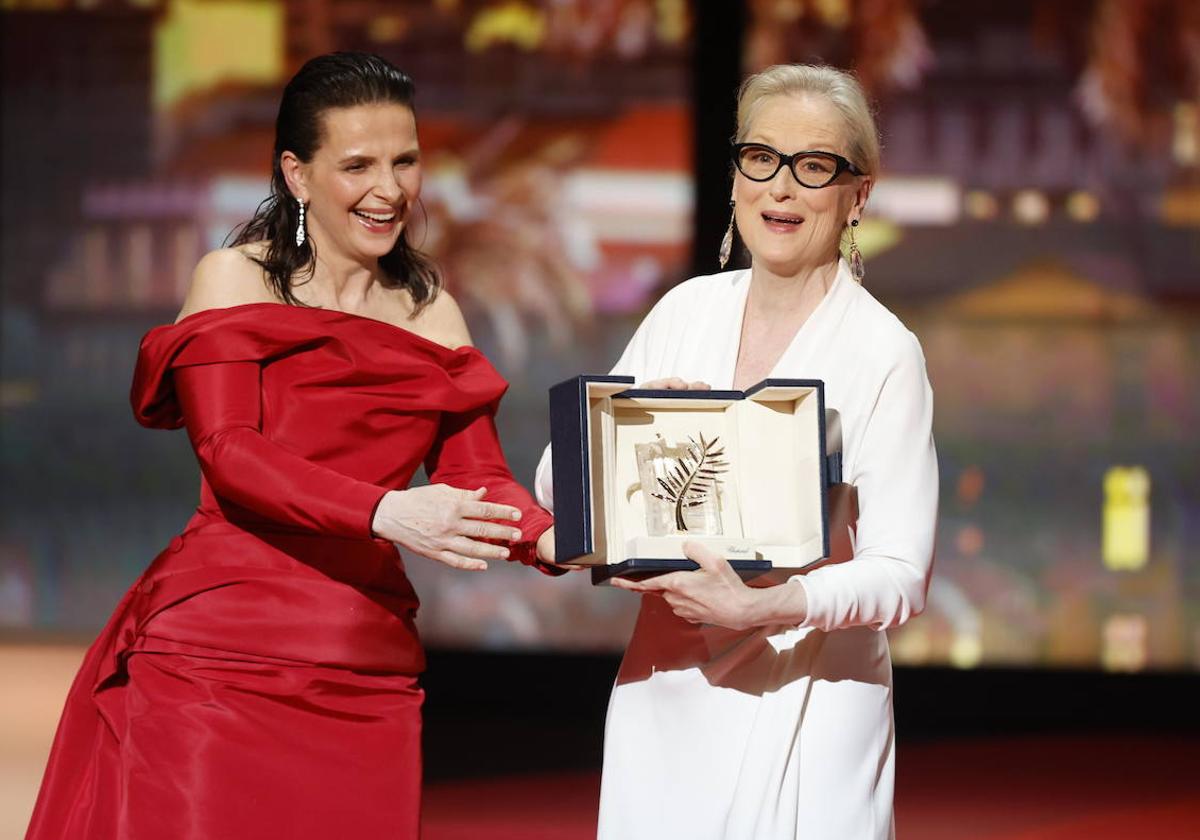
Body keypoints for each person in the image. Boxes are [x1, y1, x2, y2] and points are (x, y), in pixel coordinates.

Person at [28, 52, 556, 840]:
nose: (390, 189)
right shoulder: (233, 278)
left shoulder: (432, 312)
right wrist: (385, 512)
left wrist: (572, 539)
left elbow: (479, 481)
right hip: (217, 654)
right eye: (358, 165)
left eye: (405, 160)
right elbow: (230, 453)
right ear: (297, 175)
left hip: (364, 668)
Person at [535, 63, 937, 839]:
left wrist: (767, 605)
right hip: (668, 687)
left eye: (813, 166)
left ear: (859, 193)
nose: (780, 188)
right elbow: (561, 483)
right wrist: (641, 430)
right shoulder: (685, 311)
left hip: (810, 693)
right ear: (734, 175)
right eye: (761, 158)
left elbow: (903, 572)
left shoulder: (884, 351)